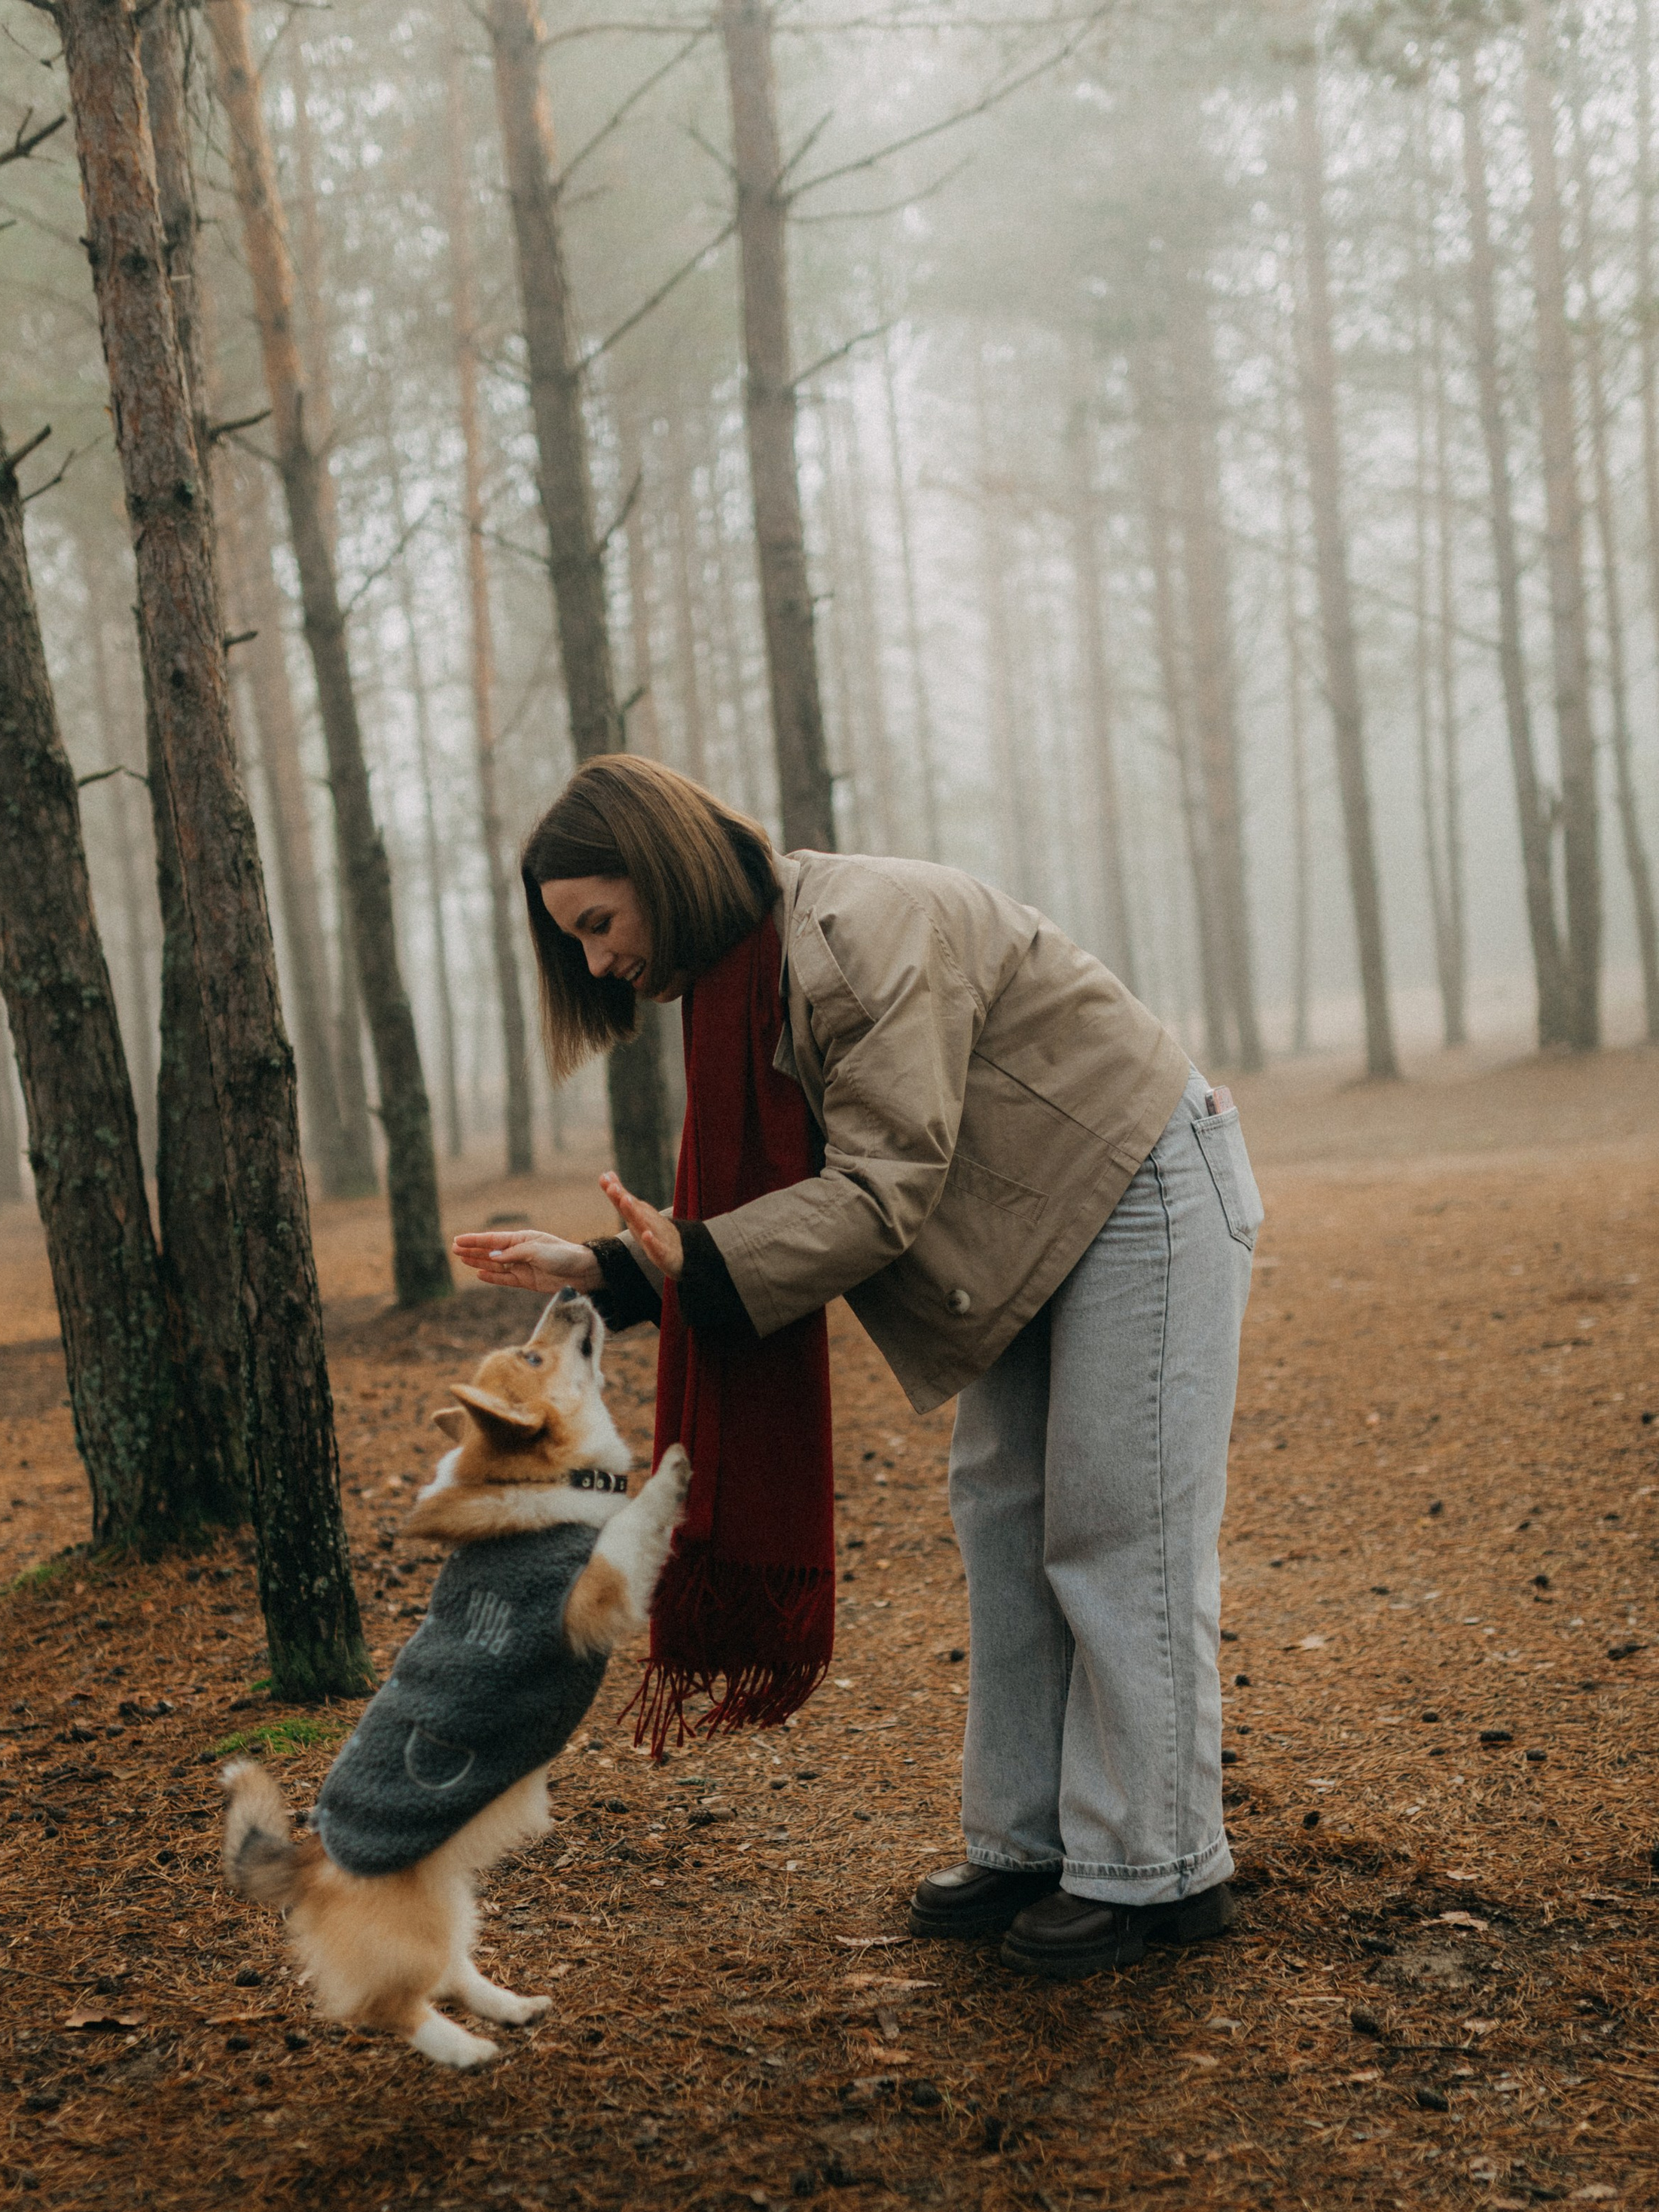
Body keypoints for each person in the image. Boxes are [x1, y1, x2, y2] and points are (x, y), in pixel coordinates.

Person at [451, 756, 1264, 1983]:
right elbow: (774, 1208)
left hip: (1140, 1187)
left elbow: (881, 1189)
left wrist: (689, 1259)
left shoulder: (860, 932)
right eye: (577, 943)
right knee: (1004, 1517)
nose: (599, 963)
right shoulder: (752, 979)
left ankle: (1157, 1869)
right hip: (1029, 1225)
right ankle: (1028, 1844)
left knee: (1115, 1528)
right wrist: (610, 1266)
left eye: (600, 924)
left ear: (661, 868)